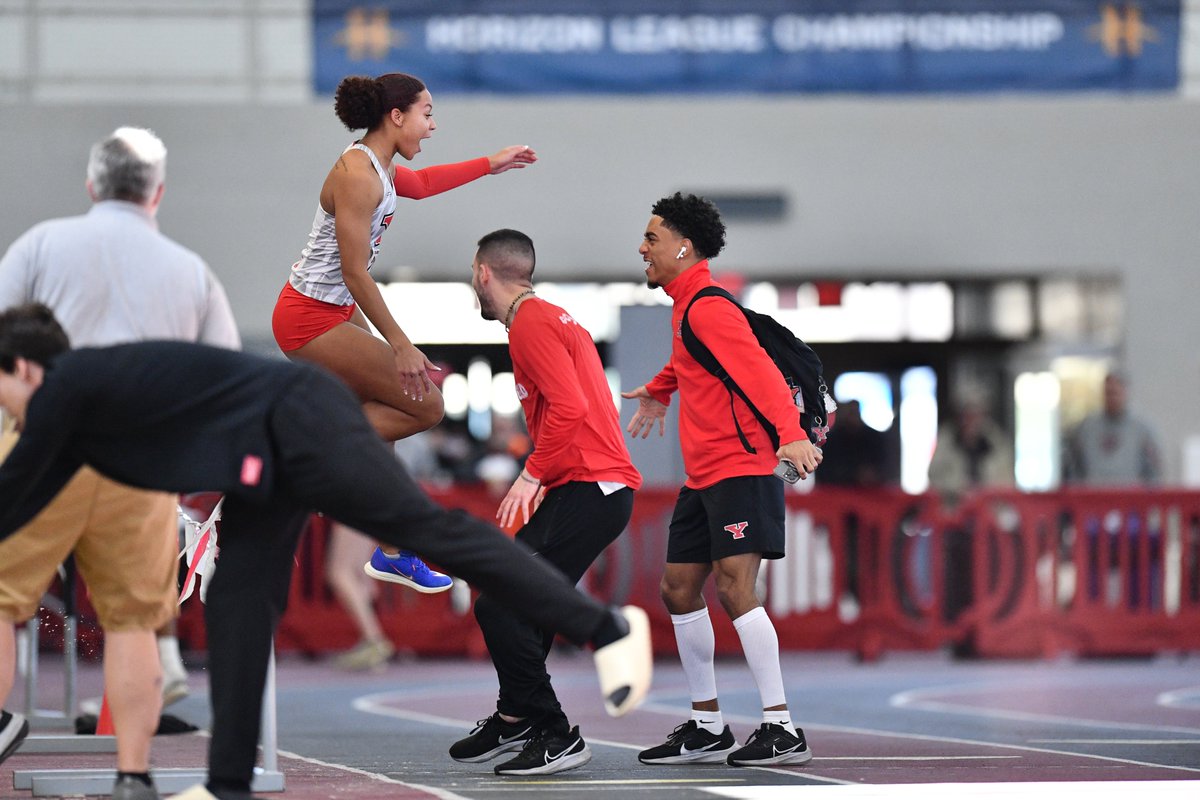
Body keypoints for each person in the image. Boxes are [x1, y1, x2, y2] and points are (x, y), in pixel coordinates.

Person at [0, 304, 650, 800]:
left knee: (432, 532)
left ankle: (609, 628)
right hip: (257, 461)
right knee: (238, 602)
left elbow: (12, 494)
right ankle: (227, 785)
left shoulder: (63, 388)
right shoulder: (76, 408)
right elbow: (24, 503)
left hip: (298, 422)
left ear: (23, 369)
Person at [0, 126, 240, 799]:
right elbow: (220, 379)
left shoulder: (41, 244)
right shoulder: (191, 271)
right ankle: (133, 773)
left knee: (2, 602)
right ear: (157, 194)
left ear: (91, 185)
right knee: (134, 621)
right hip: (138, 459)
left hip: (44, 442)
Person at [270, 72, 537, 592]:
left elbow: (425, 184)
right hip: (308, 317)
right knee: (426, 406)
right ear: (396, 117)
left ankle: (391, 550)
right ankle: (316, 465)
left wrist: (491, 164)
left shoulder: (382, 168)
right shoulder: (357, 175)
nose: (432, 127)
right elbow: (353, 271)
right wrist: (401, 344)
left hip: (333, 309)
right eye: (427, 114)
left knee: (385, 424)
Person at [622, 193, 819, 767]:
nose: (642, 247)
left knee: (735, 589)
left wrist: (791, 434)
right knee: (678, 588)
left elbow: (757, 372)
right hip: (705, 475)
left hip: (743, 467)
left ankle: (781, 727)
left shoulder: (707, 306)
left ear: (684, 247)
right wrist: (661, 389)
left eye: (652, 238)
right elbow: (694, 360)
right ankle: (708, 726)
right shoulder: (687, 306)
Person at [450, 230, 643, 776]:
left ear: (484, 272)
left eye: (472, 275)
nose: (473, 285)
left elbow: (571, 407)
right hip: (590, 488)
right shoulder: (548, 318)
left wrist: (529, 476)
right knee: (521, 602)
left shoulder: (531, 323)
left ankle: (555, 732)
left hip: (592, 487)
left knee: (497, 598)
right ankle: (517, 717)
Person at [1062, 370, 1162, 486]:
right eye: (1108, 393)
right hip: (1093, 497)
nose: (1112, 398)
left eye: (1115, 393)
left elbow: (1154, 471)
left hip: (1130, 499)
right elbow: (1073, 464)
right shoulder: (1086, 427)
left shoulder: (1142, 429)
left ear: (1125, 392)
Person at [927, 393, 1014, 505]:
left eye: (976, 414)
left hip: (989, 512)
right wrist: (958, 488)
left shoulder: (997, 444)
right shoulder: (946, 442)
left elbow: (1007, 482)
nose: (971, 420)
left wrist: (984, 491)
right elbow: (933, 476)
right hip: (953, 511)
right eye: (966, 414)